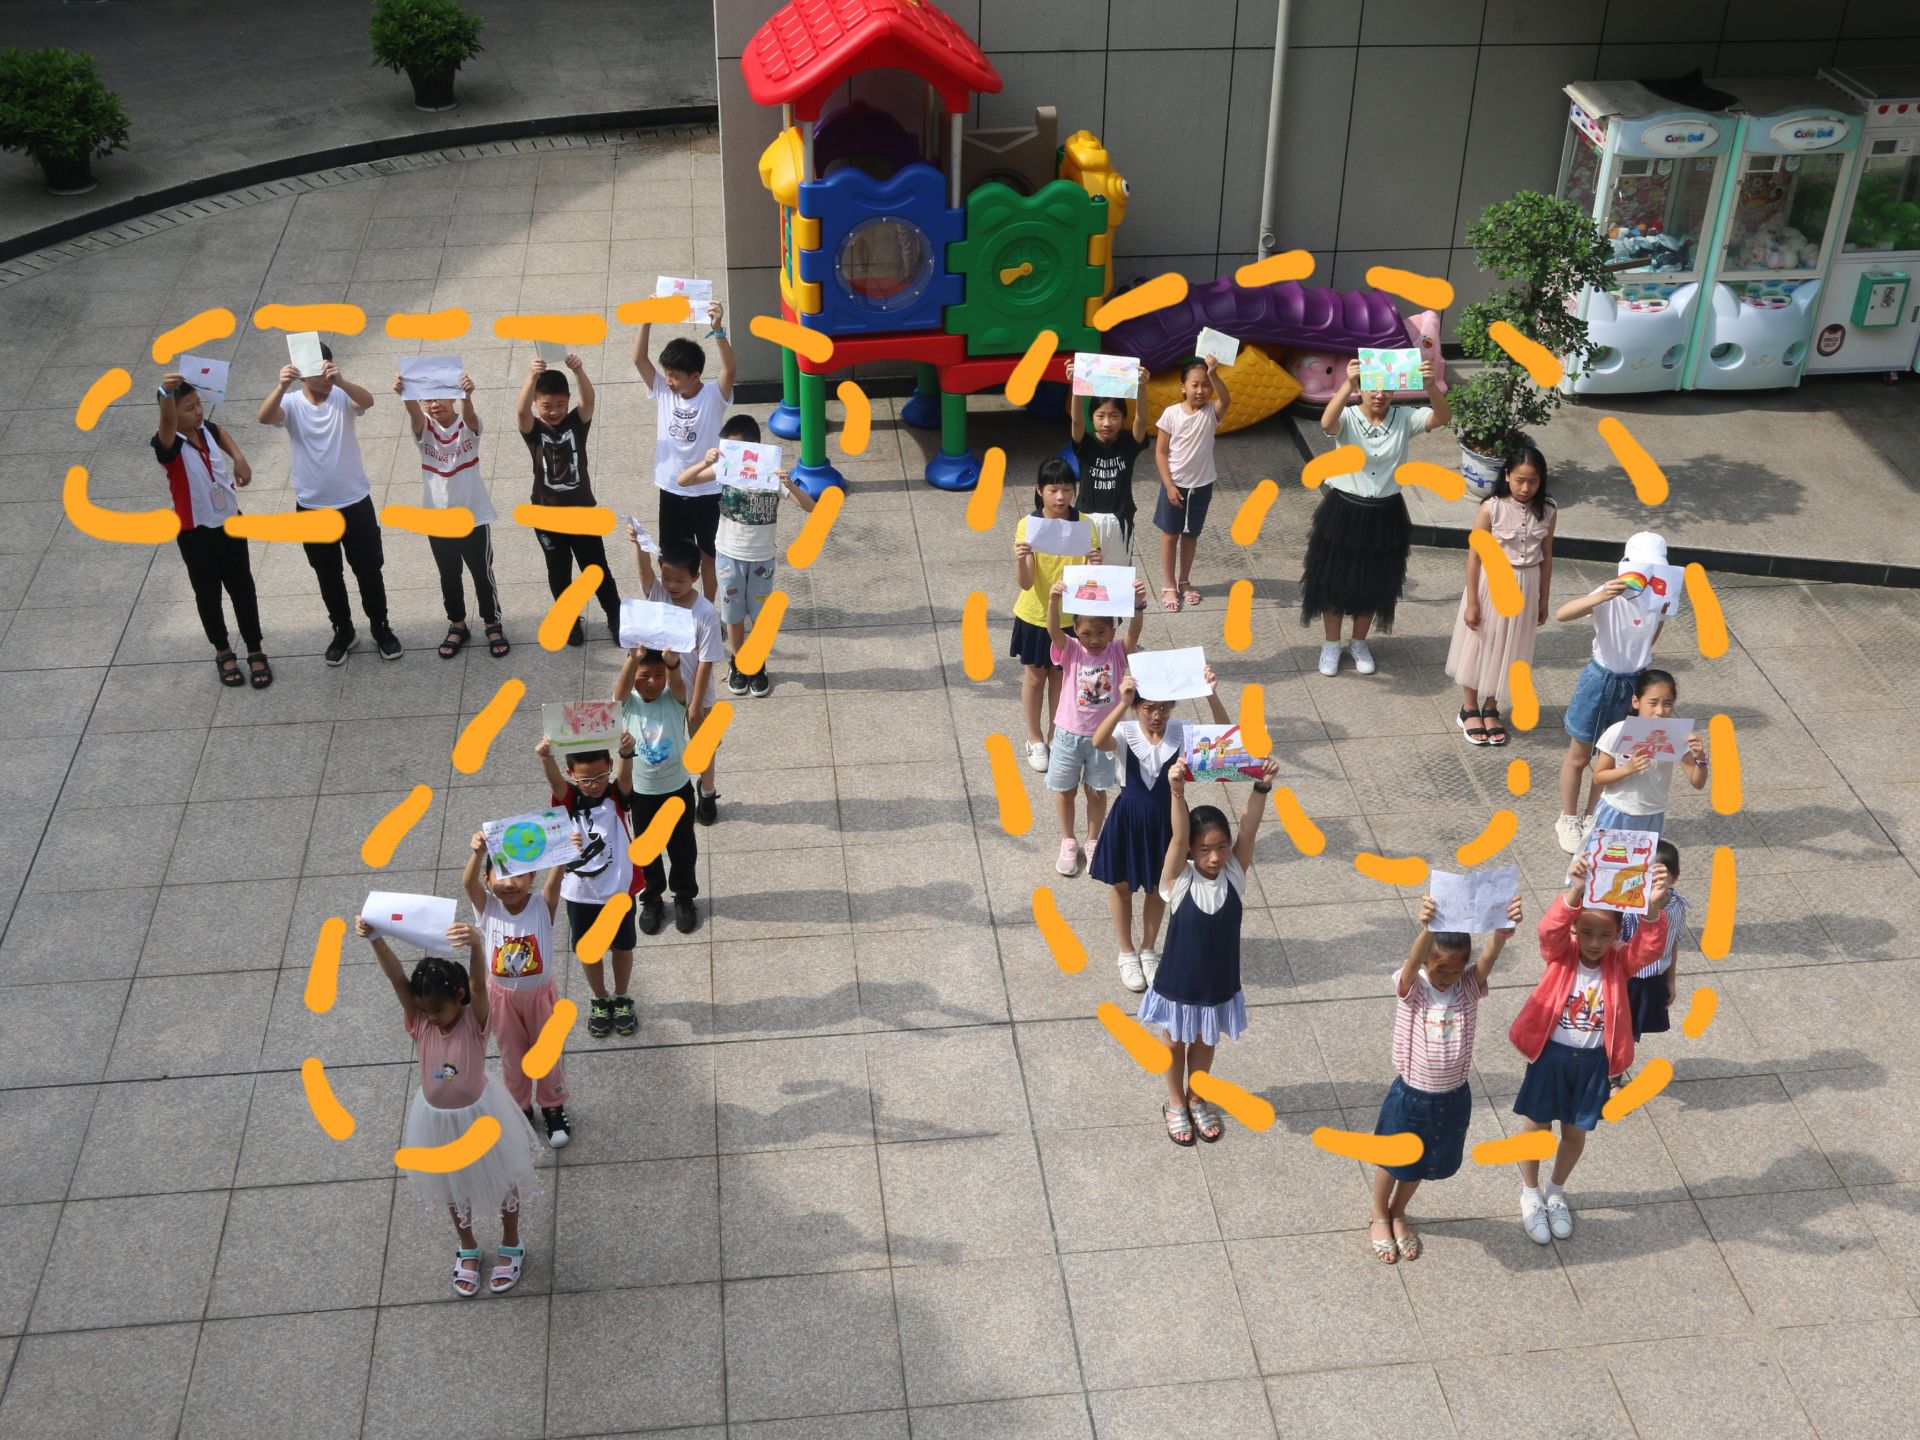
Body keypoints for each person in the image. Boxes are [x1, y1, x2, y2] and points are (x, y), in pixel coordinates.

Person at [357, 914, 544, 1297]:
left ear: (458, 998)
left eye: (437, 1010)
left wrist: (475, 945)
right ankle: (468, 1247)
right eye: (424, 1010)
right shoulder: (420, 1022)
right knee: (453, 1188)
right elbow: (397, 978)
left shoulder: (474, 1022)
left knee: (503, 1180)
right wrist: (376, 938)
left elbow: (478, 984)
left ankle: (512, 1242)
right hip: (437, 1123)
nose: (430, 1017)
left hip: (481, 1117)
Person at [1508, 854, 1671, 1242]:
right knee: (1536, 1127)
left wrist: (1652, 907)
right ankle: (1530, 1193)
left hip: (1594, 1063)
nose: (1595, 943)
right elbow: (1549, 930)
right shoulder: (1561, 955)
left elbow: (1651, 948)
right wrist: (1575, 892)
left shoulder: (1620, 963)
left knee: (1575, 1132)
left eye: (1605, 935)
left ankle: (1555, 1192)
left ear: (1617, 935)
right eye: (1586, 933)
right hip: (1551, 1057)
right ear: (1575, 930)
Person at [1368, 892, 1523, 1264]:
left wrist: (1502, 933)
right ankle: (1378, 1214)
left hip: (1452, 1096)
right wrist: (1426, 928)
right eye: (1440, 970)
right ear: (1426, 962)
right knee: (1393, 1160)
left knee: (1422, 1162)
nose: (1447, 977)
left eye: (1455, 970)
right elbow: (1411, 963)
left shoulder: (1467, 989)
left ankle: (1399, 1212)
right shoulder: (1414, 989)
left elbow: (1488, 959)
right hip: (1412, 1095)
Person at [1140, 756, 1275, 1145]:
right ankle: (1175, 1103)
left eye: (1221, 847)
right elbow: (1177, 836)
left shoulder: (1234, 873)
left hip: (1218, 982)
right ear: (1189, 851)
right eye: (1204, 850)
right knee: (1174, 1042)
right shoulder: (1178, 880)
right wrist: (1176, 792)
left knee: (1205, 1043)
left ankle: (1197, 1097)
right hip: (1178, 982)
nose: (1215, 857)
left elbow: (1249, 829)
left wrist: (1261, 786)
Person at [1301, 356, 1450, 676]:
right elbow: (1327, 424)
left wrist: (1430, 386)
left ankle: (1358, 643)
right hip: (1344, 511)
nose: (1379, 395)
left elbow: (1442, 417)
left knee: (1374, 582)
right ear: (1362, 389)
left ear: (1395, 391)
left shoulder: (1404, 418)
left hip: (1385, 514)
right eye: (1372, 387)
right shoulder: (1348, 416)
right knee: (1333, 580)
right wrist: (1347, 384)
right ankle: (1331, 645)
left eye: (1386, 389)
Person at [1089, 666, 1231, 992]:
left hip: (1169, 820)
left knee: (1159, 888)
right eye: (1149, 708)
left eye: (1164, 708)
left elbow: (1224, 737)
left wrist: (1212, 694)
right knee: (1121, 887)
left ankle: (1148, 950)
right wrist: (1122, 703)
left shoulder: (1181, 732)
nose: (1157, 716)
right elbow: (1098, 740)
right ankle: (1126, 952)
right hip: (1128, 819)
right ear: (1137, 707)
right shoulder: (1125, 731)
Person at [258, 342, 399, 665]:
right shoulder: (291, 403)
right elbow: (265, 417)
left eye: (328, 367)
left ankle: (381, 627)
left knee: (369, 569)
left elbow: (368, 401)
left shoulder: (341, 396)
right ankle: (343, 630)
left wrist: (342, 381)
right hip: (312, 506)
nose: (324, 377)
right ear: (301, 375)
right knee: (327, 574)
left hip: (355, 501)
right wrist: (281, 386)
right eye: (317, 371)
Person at [672, 413, 815, 698]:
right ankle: (739, 662)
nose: (731, 453)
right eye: (727, 447)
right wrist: (705, 462)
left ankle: (757, 663)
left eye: (735, 447)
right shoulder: (725, 469)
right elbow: (683, 480)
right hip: (728, 556)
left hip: (762, 559)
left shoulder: (772, 477)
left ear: (755, 448)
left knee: (760, 618)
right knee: (733, 615)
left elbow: (811, 507)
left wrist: (790, 483)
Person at [1553, 531, 1670, 853]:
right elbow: (1563, 614)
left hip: (1635, 681)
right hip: (1600, 679)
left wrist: (1641, 657)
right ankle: (1568, 818)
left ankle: (1594, 816)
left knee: (1615, 756)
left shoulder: (1660, 596)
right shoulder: (1610, 593)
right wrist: (1601, 595)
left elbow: (1655, 630)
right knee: (1579, 756)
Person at [151, 372, 269, 689]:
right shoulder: (167, 444)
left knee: (243, 589)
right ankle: (223, 652)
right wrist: (165, 392)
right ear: (172, 413)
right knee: (208, 594)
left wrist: (239, 458)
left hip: (231, 523)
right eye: (189, 408)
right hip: (196, 533)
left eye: (199, 404)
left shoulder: (205, 429)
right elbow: (166, 420)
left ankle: (255, 649)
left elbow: (220, 431)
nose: (199, 411)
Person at [458, 828, 573, 1149]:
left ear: (532, 877)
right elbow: (467, 884)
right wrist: (477, 853)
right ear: (487, 879)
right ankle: (520, 1108)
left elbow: (555, 882)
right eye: (501, 875)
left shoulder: (542, 904)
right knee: (512, 1056)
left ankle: (553, 1107)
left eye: (519, 875)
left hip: (540, 999)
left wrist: (564, 853)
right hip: (501, 1000)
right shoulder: (489, 908)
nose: (509, 884)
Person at [394, 368, 508, 660]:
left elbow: (471, 418)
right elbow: (415, 416)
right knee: (449, 575)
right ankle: (457, 624)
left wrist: (467, 397)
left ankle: (492, 622)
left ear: (453, 397)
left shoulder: (467, 425)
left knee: (482, 574)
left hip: (473, 517)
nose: (434, 405)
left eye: (440, 398)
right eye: (427, 400)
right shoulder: (424, 431)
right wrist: (406, 394)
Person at [1444, 445, 1554, 745]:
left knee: (1511, 646)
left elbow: (1547, 555)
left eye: (1533, 481)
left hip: (1527, 584)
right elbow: (1474, 557)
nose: (1526, 487)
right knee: (1480, 643)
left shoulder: (1548, 509)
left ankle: (1491, 707)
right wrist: (1472, 602)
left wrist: (1543, 598)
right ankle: (1469, 708)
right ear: (1506, 475)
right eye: (1520, 480)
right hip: (1492, 583)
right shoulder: (1490, 508)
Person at [536, 733, 642, 1039]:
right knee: (589, 952)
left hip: (618, 891)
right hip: (580, 895)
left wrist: (626, 754)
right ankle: (600, 999)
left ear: (609, 766)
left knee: (623, 947)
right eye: (585, 779)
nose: (594, 784)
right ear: (571, 774)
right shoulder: (569, 799)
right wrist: (546, 757)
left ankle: (621, 997)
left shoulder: (616, 795)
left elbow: (625, 777)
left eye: (600, 776)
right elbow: (554, 783)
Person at [1041, 573, 1147, 878]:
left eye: (1101, 632)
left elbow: (1134, 634)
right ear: (1076, 630)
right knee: (1065, 790)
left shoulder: (1117, 651)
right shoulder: (1072, 650)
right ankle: (1068, 840)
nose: (1095, 639)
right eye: (1087, 633)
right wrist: (1053, 601)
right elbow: (1052, 630)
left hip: (1105, 739)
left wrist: (1138, 606)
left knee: (1097, 791)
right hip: (1068, 734)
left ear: (1113, 629)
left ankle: (1092, 840)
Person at [517, 354, 621, 648]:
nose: (554, 412)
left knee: (596, 568)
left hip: (583, 514)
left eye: (560, 404)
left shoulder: (576, 422)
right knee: (559, 571)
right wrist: (531, 377)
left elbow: (589, 400)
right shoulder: (534, 431)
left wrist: (578, 370)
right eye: (547, 406)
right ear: (536, 403)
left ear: (568, 401)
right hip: (546, 517)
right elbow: (521, 411)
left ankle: (615, 616)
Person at [634, 302, 735, 601]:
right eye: (666, 374)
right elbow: (638, 358)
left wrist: (718, 332)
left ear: (695, 375)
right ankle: (678, 611)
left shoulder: (714, 396)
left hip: (708, 491)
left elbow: (730, 369)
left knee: (709, 557)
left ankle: (707, 608)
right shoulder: (664, 391)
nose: (668, 381)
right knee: (672, 558)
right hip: (671, 489)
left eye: (675, 376)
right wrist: (646, 319)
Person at [1012, 460, 1103, 771]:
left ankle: (1056, 736)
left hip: (1072, 619)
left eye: (1066, 489)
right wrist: (1022, 560)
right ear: (1040, 490)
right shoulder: (1028, 525)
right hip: (1036, 616)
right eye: (1053, 490)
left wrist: (1095, 565)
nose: (1061, 497)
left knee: (1062, 680)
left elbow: (1092, 582)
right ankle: (1034, 738)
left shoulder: (1085, 525)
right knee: (1035, 677)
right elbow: (1026, 583)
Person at [633, 534, 727, 825]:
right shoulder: (658, 594)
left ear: (696, 577)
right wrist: (639, 545)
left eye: (679, 581)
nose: (671, 586)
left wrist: (696, 704)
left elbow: (706, 662)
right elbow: (645, 573)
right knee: (663, 745)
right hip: (662, 692)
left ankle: (707, 792)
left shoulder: (705, 613)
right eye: (666, 578)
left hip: (698, 693)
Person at [615, 645, 701, 934]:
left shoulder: (673, 700)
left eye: (658, 675)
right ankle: (651, 897)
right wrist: (633, 659)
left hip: (678, 790)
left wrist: (672, 665)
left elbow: (677, 684)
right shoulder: (628, 704)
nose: (652, 681)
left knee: (683, 848)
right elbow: (620, 690)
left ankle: (684, 896)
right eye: (644, 675)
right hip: (642, 794)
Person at [1152, 357, 1230, 613]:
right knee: (1170, 534)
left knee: (1191, 535)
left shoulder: (1211, 413)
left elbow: (1226, 399)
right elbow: (1161, 452)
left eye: (1206, 385)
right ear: (1183, 387)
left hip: (1202, 485)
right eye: (1195, 384)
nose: (1200, 390)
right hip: (1175, 485)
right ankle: (1169, 584)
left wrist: (1214, 374)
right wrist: (1169, 485)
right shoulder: (1171, 413)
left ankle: (1184, 580)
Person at [1590, 668, 1708, 835]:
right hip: (1616, 811)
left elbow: (1698, 783)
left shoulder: (1677, 735)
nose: (1660, 711)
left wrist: (1700, 758)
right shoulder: (1617, 732)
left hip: (1653, 816)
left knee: (1644, 854)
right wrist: (1628, 769)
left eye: (1667, 704)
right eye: (1653, 703)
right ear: (1636, 701)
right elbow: (1598, 777)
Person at [1614, 843, 1687, 1087]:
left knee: (1630, 1033)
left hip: (1653, 980)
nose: (1653, 881)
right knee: (1615, 1028)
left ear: (1675, 877)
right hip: (1626, 977)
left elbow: (1672, 943)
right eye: (1648, 874)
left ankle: (1614, 1075)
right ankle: (1608, 1076)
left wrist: (1670, 981)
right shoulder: (1629, 904)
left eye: (1660, 875)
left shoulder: (1677, 907)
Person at [1064, 358, 1151, 556]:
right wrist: (1076, 386)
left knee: (1117, 571)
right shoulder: (1085, 443)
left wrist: (1141, 387)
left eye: (1114, 416)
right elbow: (1076, 422)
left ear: (1123, 418)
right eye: (1100, 415)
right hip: (1086, 519)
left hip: (1120, 521)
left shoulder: (1129, 443)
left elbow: (1141, 421)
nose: (1107, 423)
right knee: (1085, 572)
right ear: (1092, 417)